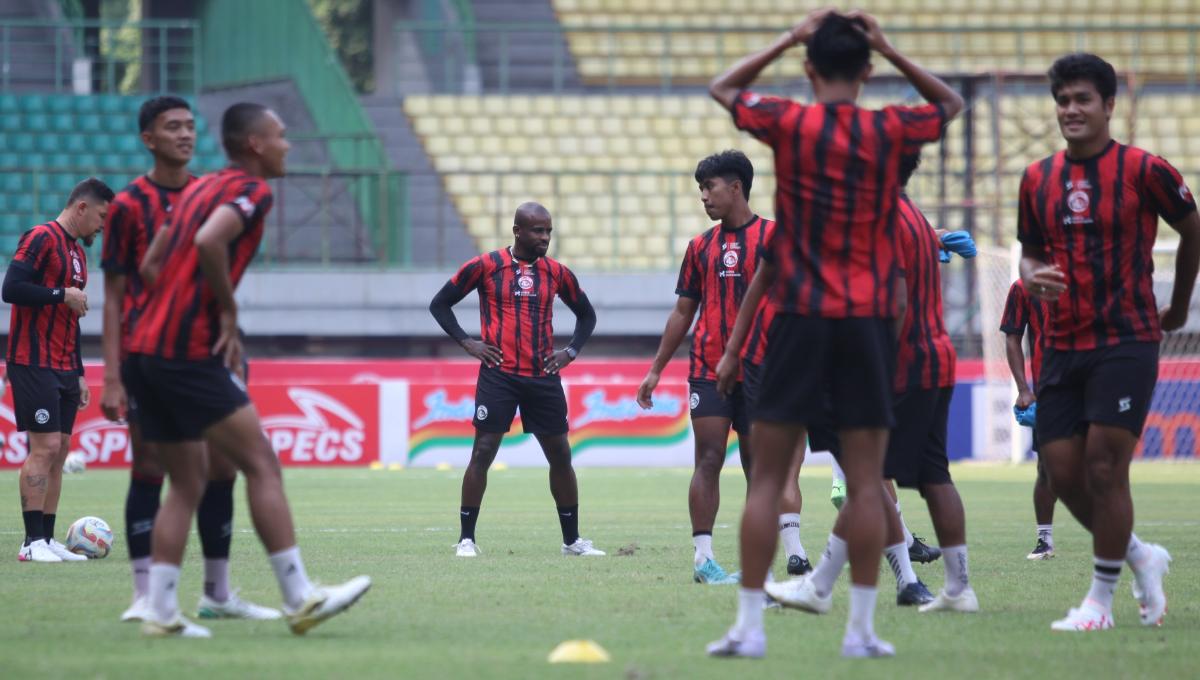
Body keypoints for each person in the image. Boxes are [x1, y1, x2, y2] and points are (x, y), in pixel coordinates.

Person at [706, 9, 962, 658]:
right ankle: (861, 632)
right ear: (868, 72)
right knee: (869, 478)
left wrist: (785, 37)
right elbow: (950, 102)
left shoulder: (791, 123)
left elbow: (724, 91)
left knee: (767, 478)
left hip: (798, 314)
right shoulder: (891, 128)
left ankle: (748, 628)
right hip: (868, 320)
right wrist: (891, 48)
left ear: (809, 69)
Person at [123, 102, 371, 638]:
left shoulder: (197, 186)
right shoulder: (253, 191)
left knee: (186, 482)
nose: (288, 145)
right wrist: (226, 309)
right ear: (255, 144)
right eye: (281, 136)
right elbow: (210, 240)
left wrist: (174, 301)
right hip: (187, 353)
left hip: (144, 350)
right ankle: (299, 596)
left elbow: (151, 264)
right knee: (261, 462)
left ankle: (161, 612)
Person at [1019, 53, 1198, 631]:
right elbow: (1029, 250)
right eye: (1063, 100)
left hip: (1127, 337)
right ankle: (1141, 554)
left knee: (1104, 468)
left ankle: (1099, 602)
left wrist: (1179, 303)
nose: (1071, 110)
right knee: (1062, 471)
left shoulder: (1145, 170)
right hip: (1061, 343)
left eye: (1082, 99)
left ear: (1108, 105)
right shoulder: (1037, 178)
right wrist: (1028, 273)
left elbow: (1192, 228)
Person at [101, 96, 278, 622]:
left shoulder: (206, 193)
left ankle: (217, 592)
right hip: (151, 353)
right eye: (170, 126)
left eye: (188, 126)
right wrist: (111, 375)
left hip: (211, 348)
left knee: (222, 465)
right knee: (155, 466)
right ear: (148, 139)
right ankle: (143, 594)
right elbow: (113, 296)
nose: (183, 134)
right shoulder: (130, 205)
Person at [637, 150, 808, 584]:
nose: (703, 197)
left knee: (759, 467)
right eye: (700, 189)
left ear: (736, 188)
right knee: (708, 457)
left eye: (709, 187)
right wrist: (656, 368)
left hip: (763, 370)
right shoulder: (700, 247)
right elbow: (682, 312)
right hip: (709, 368)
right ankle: (703, 559)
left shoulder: (775, 239)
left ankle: (761, 560)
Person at [430, 202, 603, 558]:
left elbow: (586, 316)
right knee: (482, 452)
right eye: (538, 231)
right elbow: (440, 304)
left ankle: (572, 541)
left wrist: (570, 352)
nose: (545, 237)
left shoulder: (557, 273)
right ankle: (466, 539)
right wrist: (468, 342)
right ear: (518, 231)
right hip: (500, 375)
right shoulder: (486, 266)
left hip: (543, 377)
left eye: (549, 231)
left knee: (560, 456)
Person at [885, 157, 978, 613]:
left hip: (903, 363)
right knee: (934, 474)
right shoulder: (916, 219)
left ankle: (820, 580)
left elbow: (896, 302)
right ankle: (960, 588)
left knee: (867, 476)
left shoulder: (885, 221)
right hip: (937, 355)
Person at [5, 178, 111, 563]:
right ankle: (31, 543)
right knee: (45, 447)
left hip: (65, 364)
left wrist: (80, 370)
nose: (103, 226)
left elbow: (72, 317)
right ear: (81, 208)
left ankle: (47, 539)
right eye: (101, 216)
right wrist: (59, 294)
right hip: (32, 361)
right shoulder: (40, 237)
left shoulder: (77, 254)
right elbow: (11, 288)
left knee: (61, 450)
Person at [1000, 278, 1058, 560]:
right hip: (1048, 388)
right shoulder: (1023, 287)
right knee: (1047, 466)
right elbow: (1012, 336)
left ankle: (1115, 540)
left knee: (1100, 462)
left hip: (1090, 382)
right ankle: (1044, 539)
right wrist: (1023, 388)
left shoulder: (1091, 276)